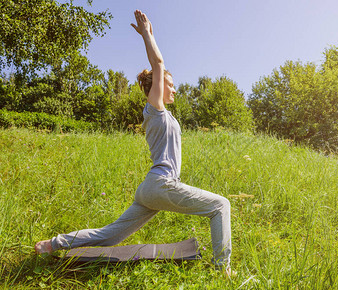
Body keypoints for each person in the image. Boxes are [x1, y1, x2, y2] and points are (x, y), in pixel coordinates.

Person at [35, 9, 232, 272]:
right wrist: (148, 35)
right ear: (155, 88)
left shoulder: (164, 116)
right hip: (161, 184)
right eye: (169, 85)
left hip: (150, 189)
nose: (173, 88)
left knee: (112, 235)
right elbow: (158, 65)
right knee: (220, 205)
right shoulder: (154, 110)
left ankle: (52, 244)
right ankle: (223, 270)